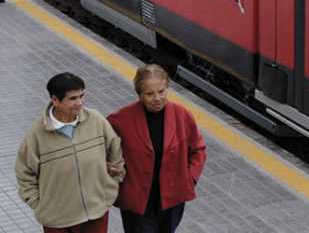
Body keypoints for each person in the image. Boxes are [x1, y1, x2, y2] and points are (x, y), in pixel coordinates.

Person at [15, 72, 126, 233]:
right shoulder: (36, 134)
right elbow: (24, 173)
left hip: (96, 212)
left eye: (82, 96)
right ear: (55, 100)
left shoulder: (95, 119)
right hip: (57, 220)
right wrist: (41, 205)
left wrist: (111, 187)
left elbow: (115, 149)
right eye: (73, 98)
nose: (80, 103)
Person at [108, 65, 207, 233]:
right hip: (137, 200)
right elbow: (103, 149)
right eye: (150, 94)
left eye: (161, 91)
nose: (157, 98)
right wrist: (111, 169)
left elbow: (198, 149)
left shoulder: (182, 115)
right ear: (139, 94)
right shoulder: (120, 119)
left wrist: (189, 179)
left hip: (171, 199)